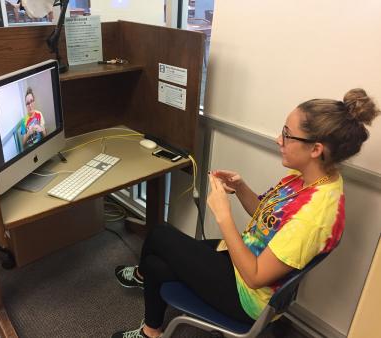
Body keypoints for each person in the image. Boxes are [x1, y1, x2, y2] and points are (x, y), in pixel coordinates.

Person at [111, 88, 380, 338]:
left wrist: (223, 216)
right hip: (246, 260)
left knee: (159, 235)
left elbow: (254, 277)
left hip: (248, 296)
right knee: (157, 262)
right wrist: (240, 188)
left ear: (316, 149)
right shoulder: (309, 178)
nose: (279, 139)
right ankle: (151, 327)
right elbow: (266, 218)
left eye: (287, 134)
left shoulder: (315, 216)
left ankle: (142, 278)